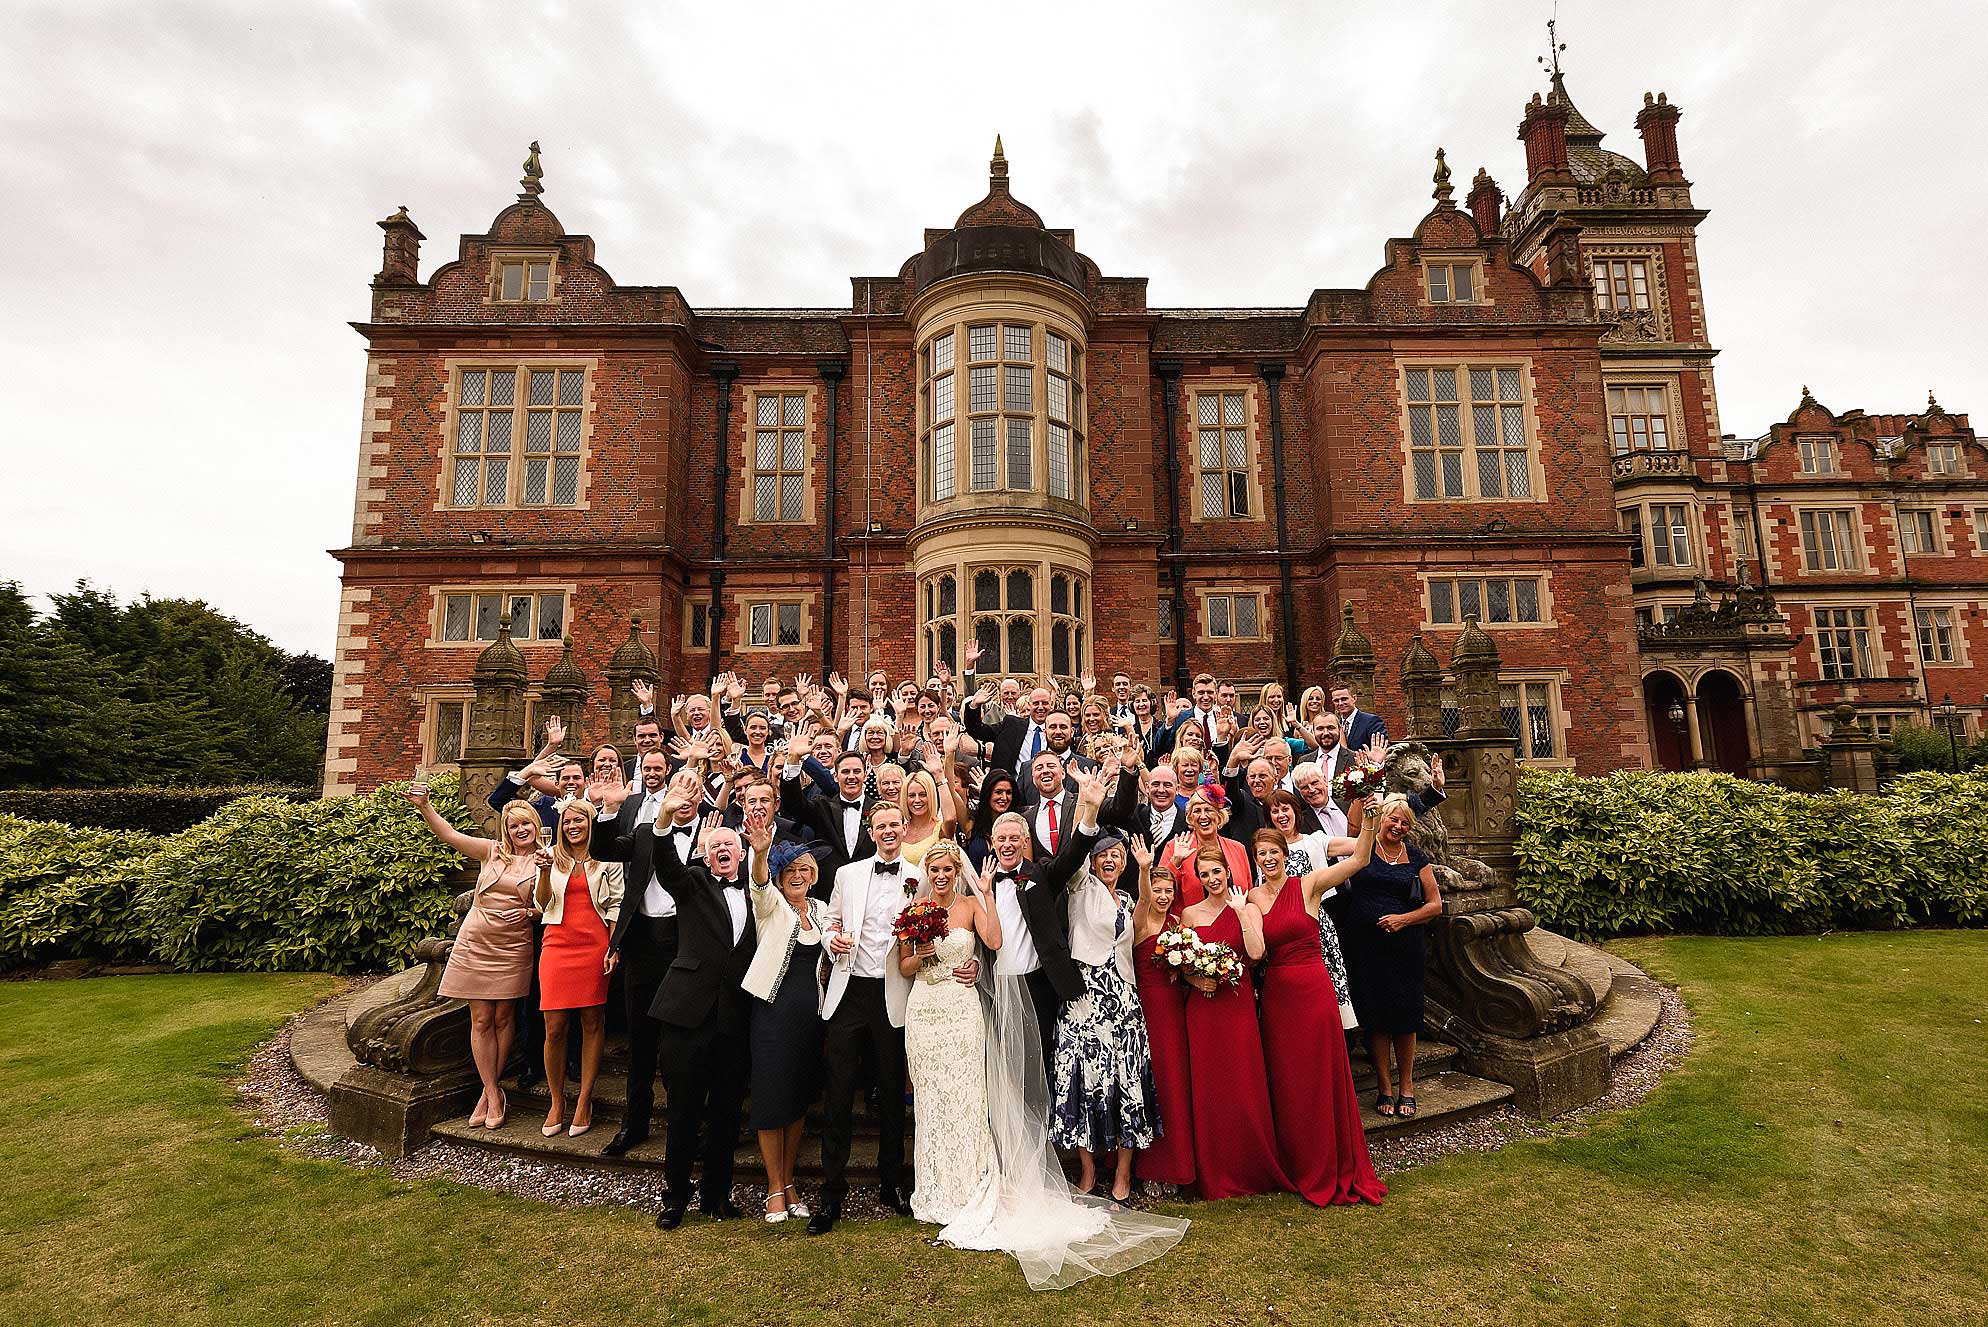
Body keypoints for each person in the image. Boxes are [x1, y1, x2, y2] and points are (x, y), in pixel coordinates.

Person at [1249, 826, 1387, 1206]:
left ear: (1284, 853)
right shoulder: (1252, 898)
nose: (1269, 858)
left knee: (1321, 1076)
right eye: (1261, 854)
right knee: (1289, 1082)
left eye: (1273, 851)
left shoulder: (1308, 884)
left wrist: (1371, 819)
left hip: (1314, 991)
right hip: (1278, 999)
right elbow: (1256, 951)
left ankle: (1333, 1163)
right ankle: (1297, 1163)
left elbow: (1359, 859)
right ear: (1256, 860)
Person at [649, 772, 760, 1230]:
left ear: (741, 852)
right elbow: (664, 866)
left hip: (734, 1018)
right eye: (714, 847)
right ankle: (675, 1196)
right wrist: (664, 817)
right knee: (684, 1110)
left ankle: (717, 1195)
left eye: (729, 846)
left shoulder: (758, 892)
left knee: (727, 1112)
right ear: (705, 854)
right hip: (686, 1014)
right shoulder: (692, 882)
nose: (722, 852)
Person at [812, 803, 924, 1234]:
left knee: (894, 1091)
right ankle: (831, 1192)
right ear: (872, 832)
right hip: (849, 992)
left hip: (894, 992)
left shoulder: (919, 875)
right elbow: (831, 920)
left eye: (895, 824)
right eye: (881, 826)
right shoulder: (849, 874)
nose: (889, 831)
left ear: (903, 829)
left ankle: (891, 1183)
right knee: (838, 1090)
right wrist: (830, 937)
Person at [403, 783, 540, 1132]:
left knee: (503, 1018)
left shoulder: (546, 858)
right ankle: (491, 1092)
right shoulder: (490, 851)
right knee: (480, 1019)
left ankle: (490, 1090)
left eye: (526, 823)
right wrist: (425, 807)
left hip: (513, 945)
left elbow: (552, 903)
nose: (520, 830)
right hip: (477, 941)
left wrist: (533, 913)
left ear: (536, 825)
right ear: (506, 829)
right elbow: (448, 833)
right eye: (513, 825)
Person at [1051, 819, 1159, 1205]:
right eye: (1104, 856)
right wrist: (1090, 803)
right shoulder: (1080, 886)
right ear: (1093, 862)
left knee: (1126, 1081)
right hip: (1084, 997)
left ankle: (1124, 1173)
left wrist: (1146, 870)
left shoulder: (1128, 900)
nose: (1111, 860)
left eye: (1117, 855)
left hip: (1124, 1000)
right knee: (1081, 1079)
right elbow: (1076, 852)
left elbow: (1144, 915)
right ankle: (1089, 1168)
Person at [1175, 847, 1289, 1200]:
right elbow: (1179, 965)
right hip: (1203, 1010)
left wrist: (1239, 913)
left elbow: (1256, 953)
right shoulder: (1190, 914)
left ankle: (1251, 1166)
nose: (1212, 880)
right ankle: (1214, 1171)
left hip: (1237, 1006)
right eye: (1205, 874)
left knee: (1243, 1083)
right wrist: (1195, 981)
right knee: (1210, 1088)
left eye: (1216, 872)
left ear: (1228, 871)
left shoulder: (1249, 906)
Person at [899, 840, 1002, 1227]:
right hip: (925, 1009)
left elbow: (994, 942)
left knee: (966, 1093)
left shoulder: (971, 905)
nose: (940, 877)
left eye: (947, 870)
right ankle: (935, 1187)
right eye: (935, 870)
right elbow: (905, 967)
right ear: (927, 873)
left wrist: (987, 895)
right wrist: (919, 956)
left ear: (958, 871)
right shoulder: (914, 911)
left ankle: (971, 1184)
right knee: (931, 1099)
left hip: (961, 1008)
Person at [595, 750, 685, 1157]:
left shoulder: (710, 833)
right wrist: (609, 809)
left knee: (679, 1045)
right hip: (643, 942)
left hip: (685, 947)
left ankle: (684, 1130)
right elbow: (605, 850)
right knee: (641, 1041)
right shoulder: (646, 831)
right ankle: (634, 1124)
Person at [1333, 793, 1445, 1119]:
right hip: (1365, 946)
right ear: (1381, 819)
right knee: (1376, 1018)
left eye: (1404, 822)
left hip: (1404, 948)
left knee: (1405, 1019)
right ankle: (1384, 1086)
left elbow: (1435, 905)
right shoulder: (1361, 850)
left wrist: (1403, 920)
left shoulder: (1416, 857)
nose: (1398, 826)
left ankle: (1406, 1086)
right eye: (1393, 819)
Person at [740, 827, 831, 1226]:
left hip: (811, 1018)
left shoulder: (824, 909)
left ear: (812, 873)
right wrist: (760, 852)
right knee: (771, 1100)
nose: (797, 874)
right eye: (789, 869)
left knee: (797, 1102)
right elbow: (758, 882)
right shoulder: (771, 903)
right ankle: (774, 1187)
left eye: (804, 868)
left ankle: (791, 1182)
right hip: (773, 1014)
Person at [535, 798, 623, 1138]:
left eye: (579, 821)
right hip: (557, 944)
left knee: (592, 1020)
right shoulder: (550, 858)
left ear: (591, 823)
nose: (573, 827)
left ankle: (585, 1099)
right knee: (554, 1026)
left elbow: (615, 903)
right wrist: (543, 871)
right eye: (567, 821)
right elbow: (541, 903)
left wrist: (613, 948)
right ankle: (557, 1100)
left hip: (594, 945)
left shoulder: (607, 857)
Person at [1261, 790, 1358, 1031]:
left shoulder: (1314, 841)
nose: (1281, 815)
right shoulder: (1263, 850)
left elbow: (1359, 848)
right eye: (1275, 811)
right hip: (1278, 929)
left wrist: (1371, 811)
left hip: (1314, 925)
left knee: (1324, 995)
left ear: (1296, 812)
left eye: (1286, 809)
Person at [1130, 846, 1193, 1192]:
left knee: (1173, 1080)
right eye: (1159, 890)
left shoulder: (1176, 924)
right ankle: (1150, 1165)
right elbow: (1143, 895)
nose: (1164, 896)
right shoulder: (1141, 918)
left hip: (1174, 1008)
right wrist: (1147, 869)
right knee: (1150, 1080)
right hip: (1146, 1008)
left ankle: (1176, 1163)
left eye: (1170, 891)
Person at [780, 740, 877, 880]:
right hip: (829, 888)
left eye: (856, 771)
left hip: (868, 886)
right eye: (845, 772)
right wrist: (793, 759)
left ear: (865, 775)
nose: (851, 776)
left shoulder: (878, 811)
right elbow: (792, 802)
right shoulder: (822, 808)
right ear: (836, 777)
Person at [1156, 784, 1253, 912]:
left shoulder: (1238, 849)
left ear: (1219, 815)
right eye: (1197, 811)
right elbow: (1159, 890)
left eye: (1208, 810)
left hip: (1237, 923)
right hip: (1191, 927)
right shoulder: (1174, 846)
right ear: (1190, 817)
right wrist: (1175, 862)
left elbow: (1249, 892)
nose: (1203, 816)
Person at [963, 769, 1018, 871]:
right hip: (975, 886)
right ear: (988, 793)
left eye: (1009, 792)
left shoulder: (1019, 825)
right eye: (998, 792)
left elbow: (1027, 869)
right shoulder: (973, 823)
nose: (1004, 797)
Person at [1331, 683, 1388, 751]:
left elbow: (1381, 750)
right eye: (1336, 700)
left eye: (1344, 699)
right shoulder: (1336, 725)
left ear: (1354, 698)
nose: (1340, 703)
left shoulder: (1371, 721)